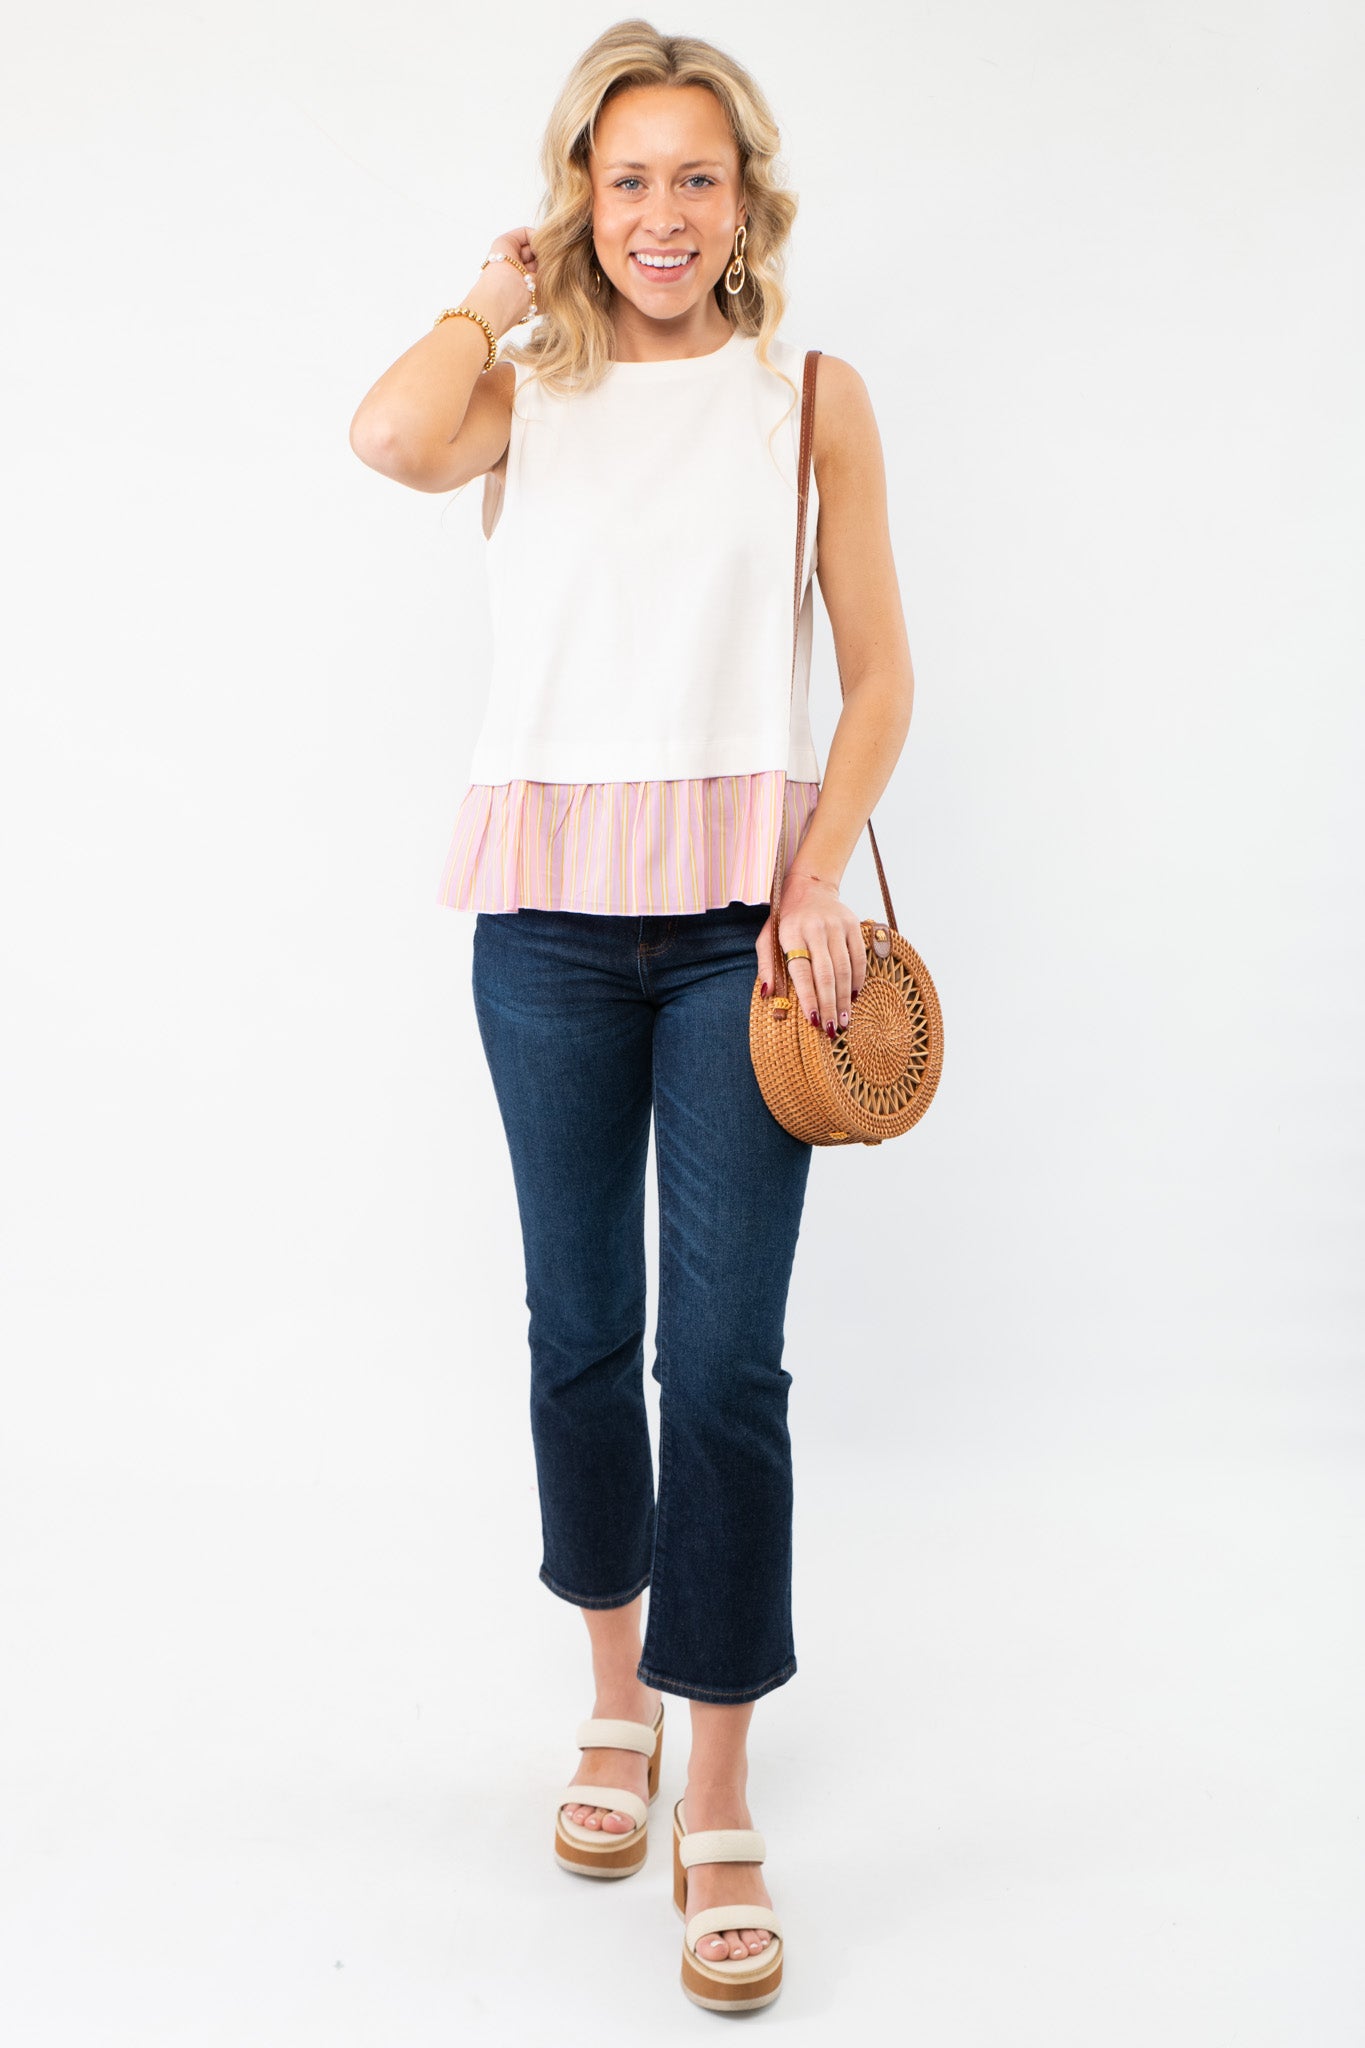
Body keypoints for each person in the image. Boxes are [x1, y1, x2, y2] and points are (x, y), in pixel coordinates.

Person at [349, 19, 914, 2014]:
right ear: (578, 197)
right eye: (624, 177)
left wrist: (820, 869)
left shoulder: (809, 397)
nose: (660, 213)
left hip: (748, 942)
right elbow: (387, 441)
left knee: (726, 1363)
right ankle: (612, 1705)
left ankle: (721, 1780)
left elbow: (871, 681)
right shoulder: (522, 393)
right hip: (547, 937)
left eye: (695, 176)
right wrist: (486, 290)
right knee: (580, 1335)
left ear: (745, 199)